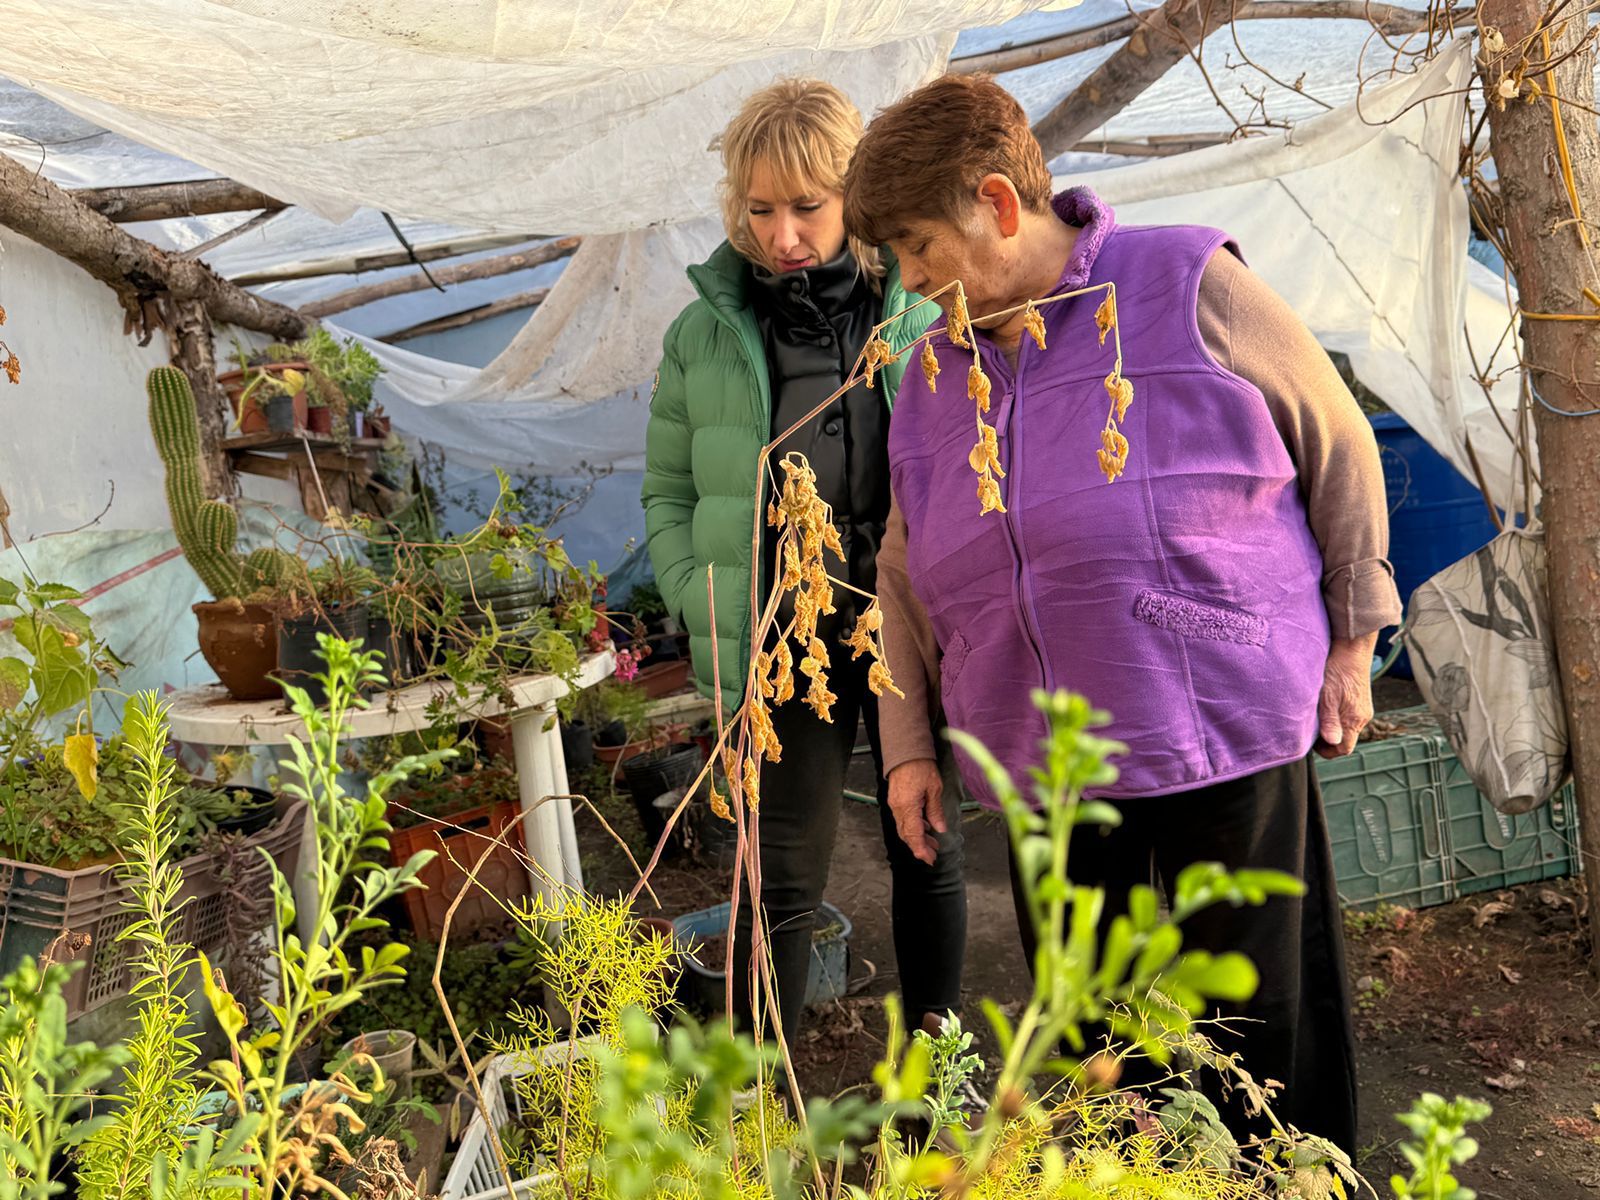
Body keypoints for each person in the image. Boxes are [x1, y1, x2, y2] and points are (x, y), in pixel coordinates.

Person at [843, 73, 1401, 1154]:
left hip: (1221, 732)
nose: (910, 282)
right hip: (1048, 773)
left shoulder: (1183, 281)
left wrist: (1351, 641)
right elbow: (905, 574)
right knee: (1103, 1053)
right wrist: (909, 748)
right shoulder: (930, 377)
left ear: (999, 205)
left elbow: (1338, 443)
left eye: (918, 247)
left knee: (1257, 1040)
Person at [640, 79, 967, 1048]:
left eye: (807, 207)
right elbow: (666, 489)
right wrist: (702, 594)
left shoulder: (917, 312)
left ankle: (928, 1089)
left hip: (905, 619)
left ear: (850, 197)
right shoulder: (703, 334)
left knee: (925, 844)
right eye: (761, 209)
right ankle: (765, 1110)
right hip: (782, 632)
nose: (784, 234)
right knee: (779, 869)